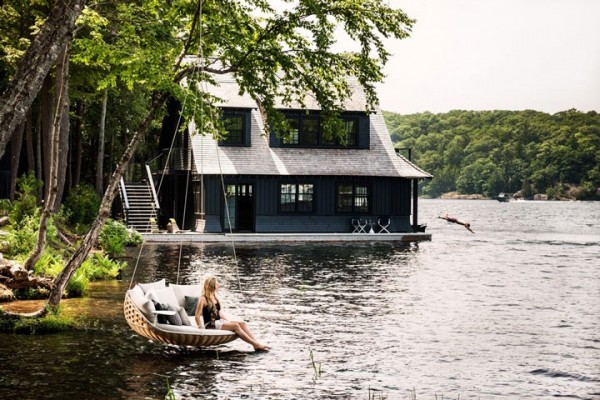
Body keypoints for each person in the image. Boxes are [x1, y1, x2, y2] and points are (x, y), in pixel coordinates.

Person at [195, 275, 269, 352]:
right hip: (210, 324)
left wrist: (227, 321)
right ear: (212, 286)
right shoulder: (203, 298)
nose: (219, 285)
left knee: (242, 323)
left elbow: (220, 314)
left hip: (218, 322)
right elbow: (197, 316)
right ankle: (255, 344)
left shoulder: (215, 296)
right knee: (236, 326)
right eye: (217, 284)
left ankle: (256, 343)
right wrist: (201, 329)